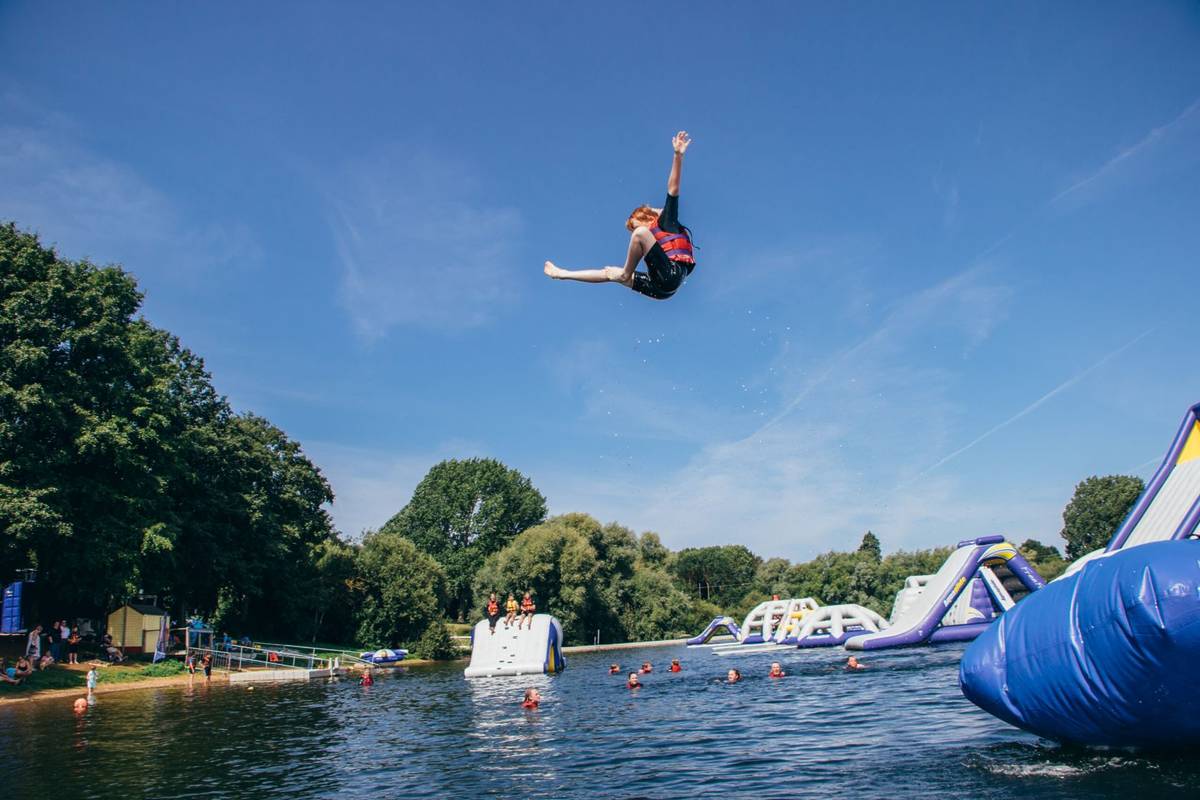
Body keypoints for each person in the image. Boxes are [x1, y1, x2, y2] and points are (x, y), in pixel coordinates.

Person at [544, 131, 696, 301]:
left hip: (671, 276)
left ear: (649, 219)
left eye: (639, 225)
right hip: (660, 288)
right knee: (609, 273)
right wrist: (562, 274)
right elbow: (607, 274)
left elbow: (673, 191)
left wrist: (677, 155)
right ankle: (562, 274)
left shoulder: (666, 222)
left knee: (635, 247)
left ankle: (625, 273)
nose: (635, 235)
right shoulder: (651, 243)